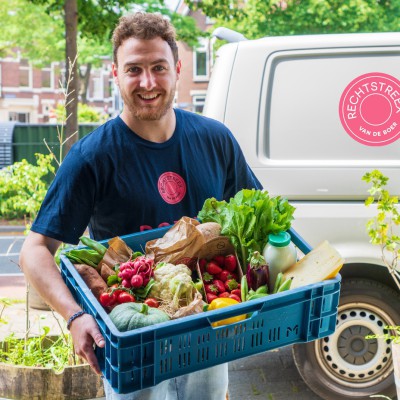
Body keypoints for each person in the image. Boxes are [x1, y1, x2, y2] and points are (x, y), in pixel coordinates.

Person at [20, 12, 261, 400]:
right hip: (134, 340)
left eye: (158, 68)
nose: (147, 82)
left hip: (208, 335)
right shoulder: (92, 157)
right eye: (134, 69)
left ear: (178, 70)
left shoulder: (216, 140)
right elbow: (34, 251)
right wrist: (75, 315)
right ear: (115, 73)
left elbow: (256, 221)